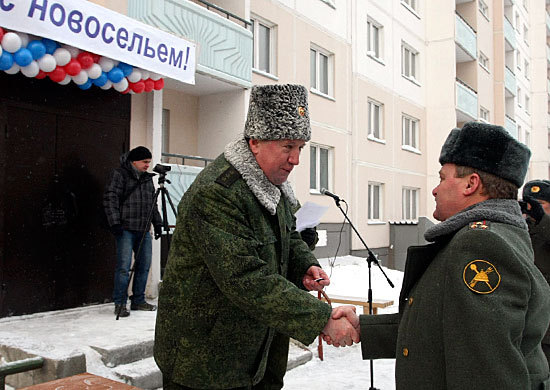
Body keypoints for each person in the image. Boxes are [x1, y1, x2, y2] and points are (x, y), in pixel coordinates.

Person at [154, 84, 358, 390]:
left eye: (300, 147)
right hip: (206, 361)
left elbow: (289, 235)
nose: (296, 159)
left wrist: (303, 265)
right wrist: (322, 319)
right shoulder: (217, 193)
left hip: (255, 356)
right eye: (288, 147)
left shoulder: (275, 187)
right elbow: (245, 277)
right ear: (255, 141)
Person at [331, 122, 550, 389]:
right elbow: (442, 326)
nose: (435, 189)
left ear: (471, 184)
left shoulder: (480, 244)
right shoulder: (491, 234)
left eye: (443, 178)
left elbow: (485, 370)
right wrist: (364, 328)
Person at [103, 146, 163, 317]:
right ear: (134, 161)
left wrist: (157, 224)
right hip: (125, 229)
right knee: (123, 267)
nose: (147, 166)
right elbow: (110, 198)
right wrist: (115, 223)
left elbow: (152, 204)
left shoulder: (147, 179)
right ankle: (120, 303)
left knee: (144, 266)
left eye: (149, 162)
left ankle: (138, 300)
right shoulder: (120, 175)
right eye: (145, 162)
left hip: (144, 229)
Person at [522, 180, 550, 365]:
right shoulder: (521, 231)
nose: (533, 211)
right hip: (523, 329)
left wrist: (543, 221)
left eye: (540, 206)